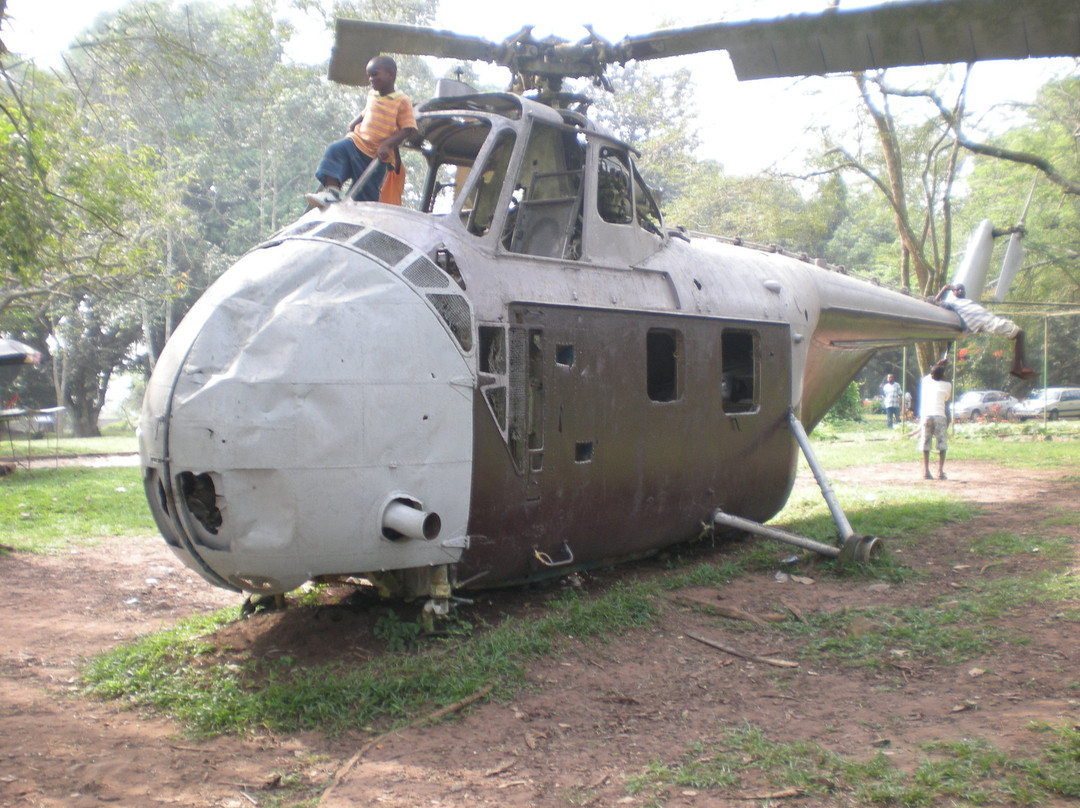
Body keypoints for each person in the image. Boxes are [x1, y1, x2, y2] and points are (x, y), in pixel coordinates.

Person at [306, 55, 417, 209]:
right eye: (369, 76)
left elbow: (408, 128)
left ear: (390, 74)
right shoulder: (372, 95)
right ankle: (332, 192)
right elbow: (367, 111)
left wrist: (387, 144)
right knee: (334, 150)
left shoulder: (402, 100)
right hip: (357, 142)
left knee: (366, 191)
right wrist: (355, 122)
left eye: (375, 74)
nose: (371, 79)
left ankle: (360, 211)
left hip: (376, 154)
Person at [934, 283, 1036, 379]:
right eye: (957, 289)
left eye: (962, 289)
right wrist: (944, 289)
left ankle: (1019, 366)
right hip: (986, 323)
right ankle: (1021, 366)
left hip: (992, 319)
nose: (960, 291)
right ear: (953, 292)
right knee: (1020, 334)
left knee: (1021, 333)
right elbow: (936, 302)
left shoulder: (968, 301)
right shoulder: (952, 303)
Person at [919, 360, 952, 481]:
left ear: (932, 375)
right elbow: (946, 398)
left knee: (926, 442)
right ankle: (940, 472)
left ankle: (926, 471)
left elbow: (929, 376)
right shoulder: (947, 385)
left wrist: (938, 364)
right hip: (940, 415)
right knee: (941, 444)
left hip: (926, 415)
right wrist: (940, 368)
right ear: (943, 376)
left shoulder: (926, 382)